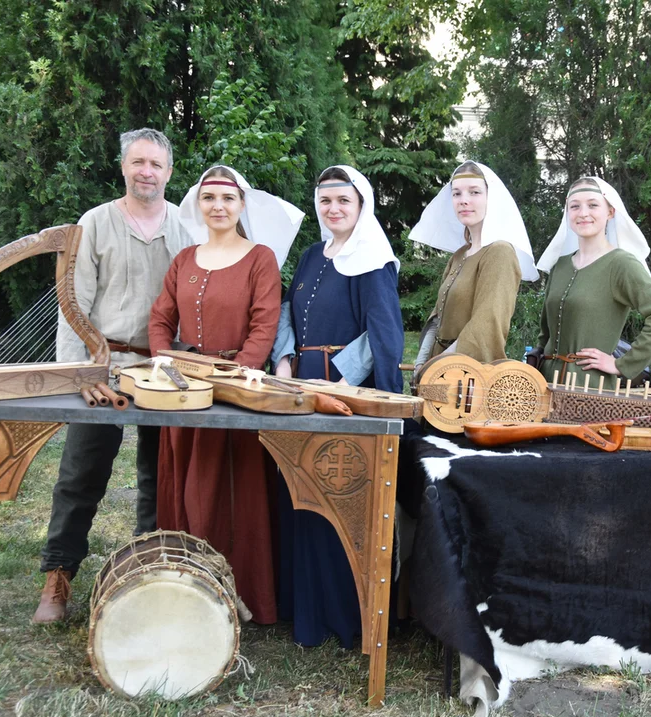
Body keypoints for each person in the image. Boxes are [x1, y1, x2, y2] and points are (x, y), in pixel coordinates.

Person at [36, 128, 192, 624]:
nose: (147, 171)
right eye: (138, 162)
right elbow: (72, 304)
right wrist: (80, 372)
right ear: (124, 167)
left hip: (162, 369)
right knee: (81, 475)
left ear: (169, 173)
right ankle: (57, 580)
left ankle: (147, 576)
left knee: (158, 477)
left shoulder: (185, 230)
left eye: (156, 164)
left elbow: (194, 306)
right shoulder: (96, 223)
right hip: (102, 367)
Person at [148, 165, 303, 623]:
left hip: (237, 390)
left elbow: (264, 325)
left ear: (241, 205)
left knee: (237, 492)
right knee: (189, 488)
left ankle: (247, 597)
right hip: (185, 389)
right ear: (198, 204)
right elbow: (161, 318)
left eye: (227, 199)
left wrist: (236, 376)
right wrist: (163, 358)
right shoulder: (184, 259)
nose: (218, 206)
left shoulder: (261, 258)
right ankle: (187, 590)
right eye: (209, 198)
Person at [271, 164, 404, 647]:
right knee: (302, 494)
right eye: (326, 201)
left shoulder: (373, 260)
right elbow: (287, 310)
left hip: (342, 396)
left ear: (361, 205)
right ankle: (305, 611)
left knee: (337, 499)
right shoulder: (310, 255)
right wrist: (284, 362)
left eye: (343, 201)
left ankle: (344, 616)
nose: (333, 209)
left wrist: (342, 382)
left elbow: (384, 334)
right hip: (300, 389)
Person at [532, 177, 651, 386]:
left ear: (610, 212)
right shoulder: (561, 266)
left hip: (590, 387)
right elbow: (545, 334)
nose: (583, 213)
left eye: (593, 205)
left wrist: (622, 364)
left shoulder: (621, 264)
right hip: (545, 384)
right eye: (575, 206)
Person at [408, 161, 538, 364]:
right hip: (440, 367)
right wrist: (422, 363)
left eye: (474, 192)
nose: (463, 200)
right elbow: (437, 317)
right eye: (457, 193)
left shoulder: (500, 252)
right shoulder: (459, 255)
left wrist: (438, 366)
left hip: (469, 373)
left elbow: (486, 325)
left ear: (491, 198)